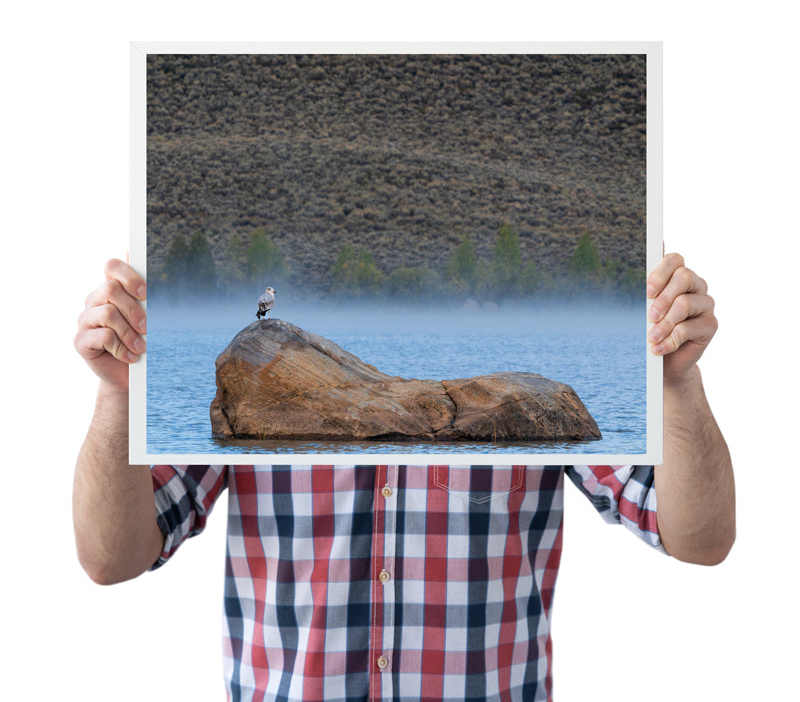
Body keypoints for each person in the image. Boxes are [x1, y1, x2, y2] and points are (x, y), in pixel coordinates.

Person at [73, 253, 735, 702]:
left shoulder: (545, 384)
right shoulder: (242, 379)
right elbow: (112, 556)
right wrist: (118, 395)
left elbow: (698, 538)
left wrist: (676, 382)